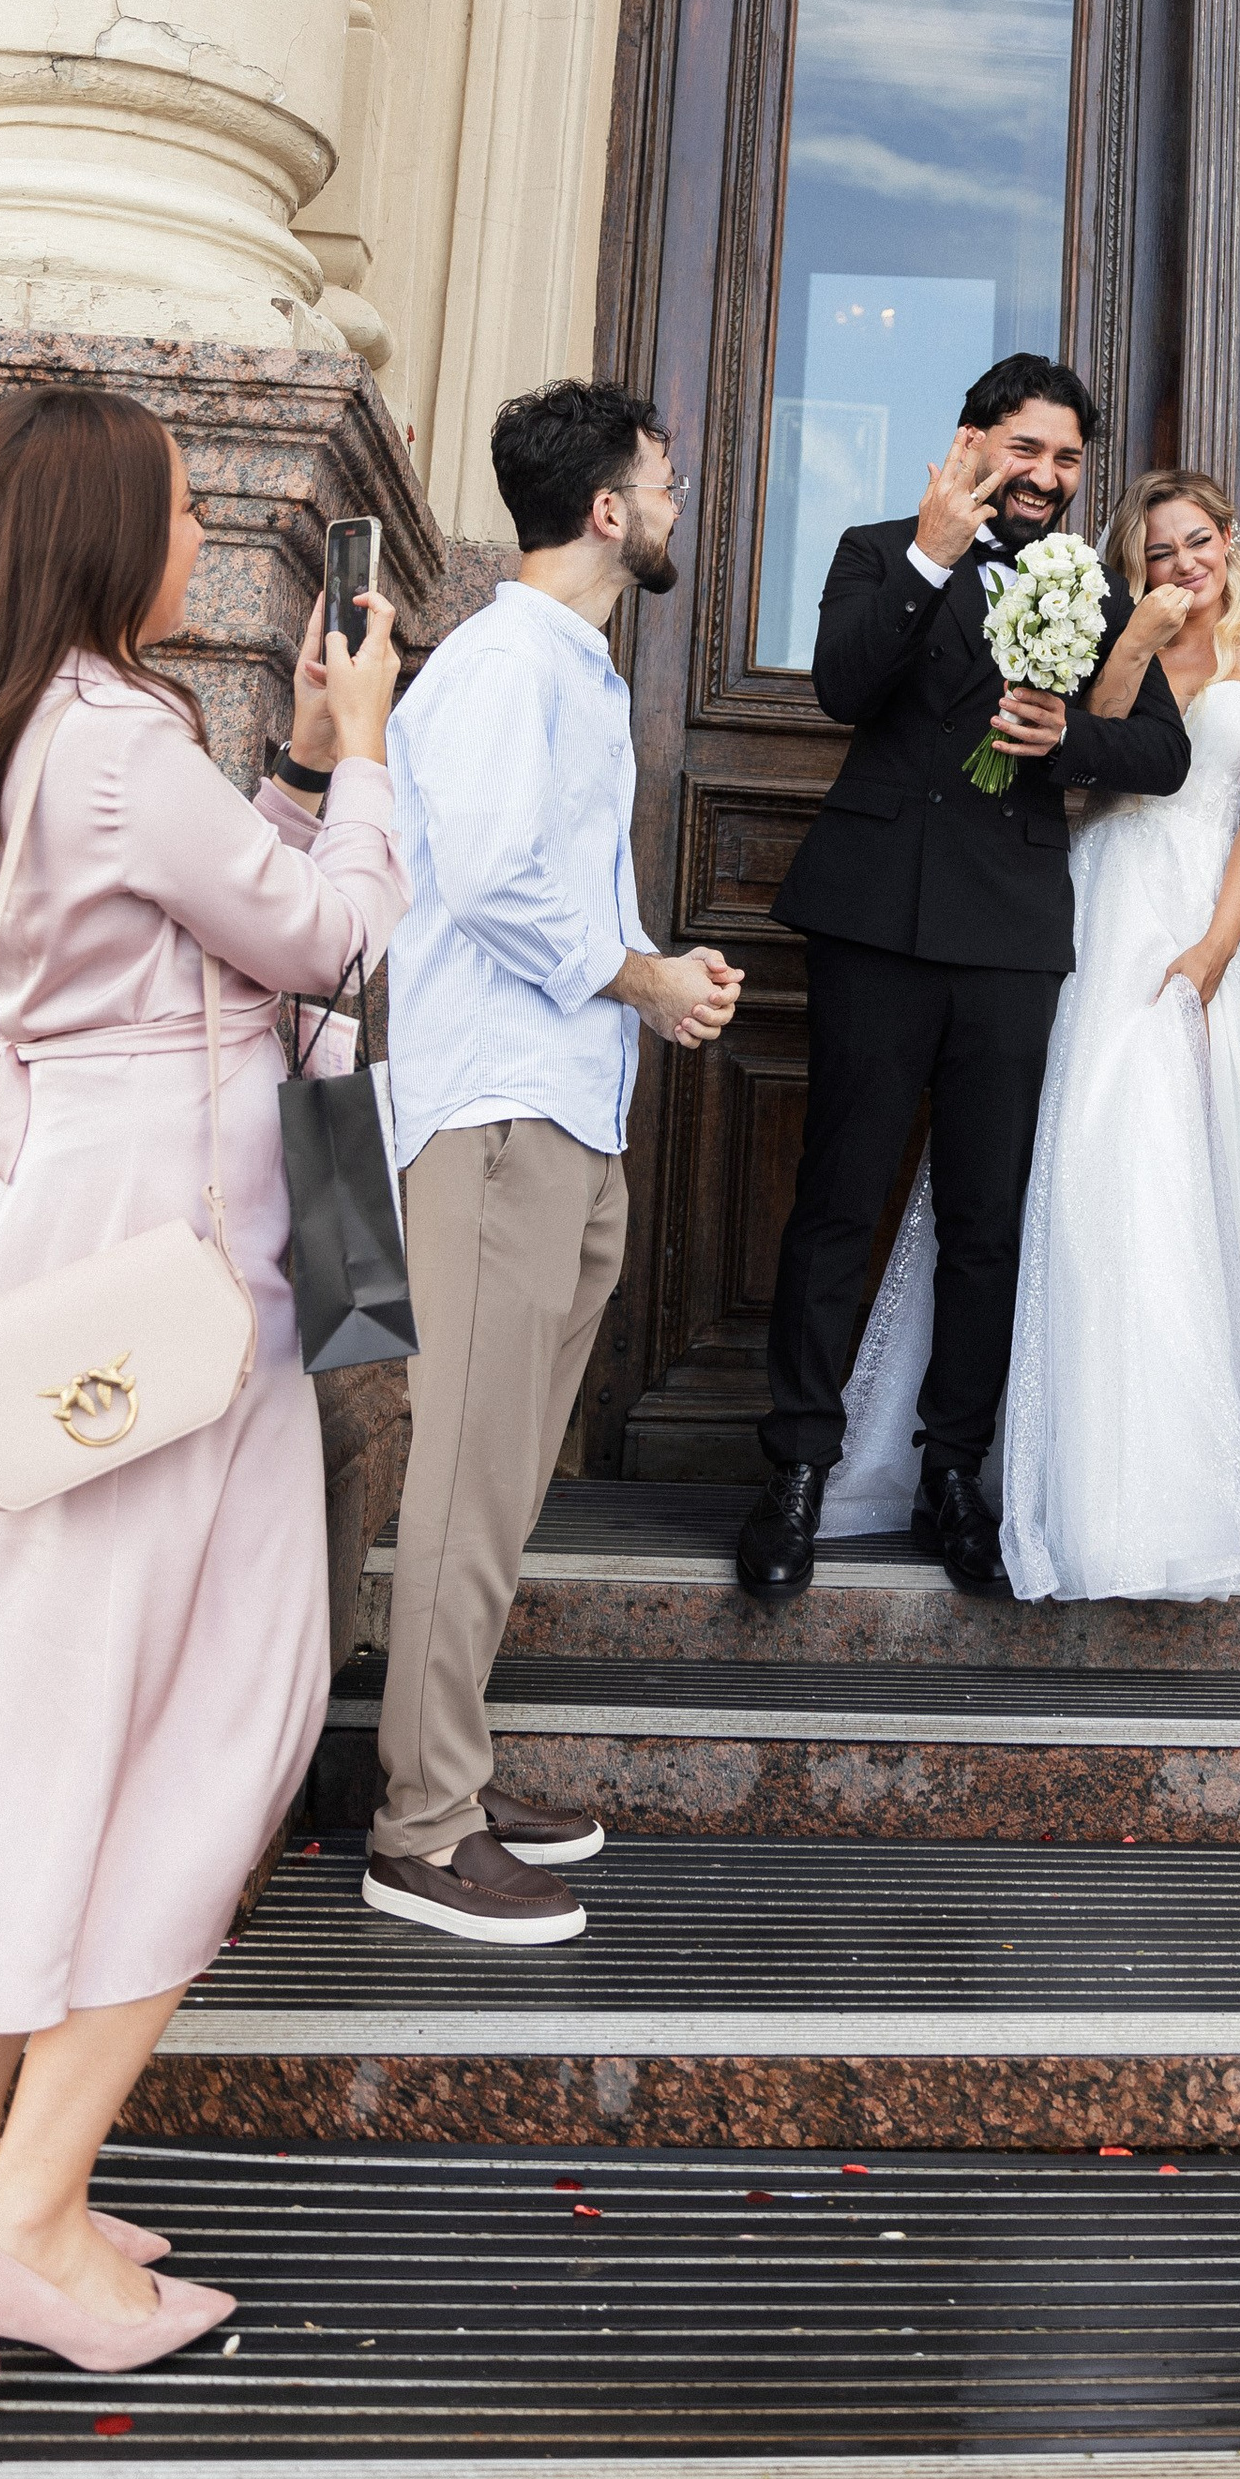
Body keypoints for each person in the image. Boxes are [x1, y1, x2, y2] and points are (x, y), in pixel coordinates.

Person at [0, 384, 407, 2385]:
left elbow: (193, 927)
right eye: (178, 509)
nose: (202, 542)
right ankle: (29, 2221)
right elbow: (331, 937)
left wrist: (292, 779)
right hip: (172, 1285)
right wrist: (368, 754)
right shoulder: (115, 741)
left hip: (62, 1247)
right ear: (99, 536)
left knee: (60, 1700)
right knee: (221, 1716)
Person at [368, 381, 740, 1945]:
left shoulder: (573, 669)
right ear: (605, 509)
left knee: (507, 1473)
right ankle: (420, 1828)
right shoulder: (502, 664)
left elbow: (554, 884)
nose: (673, 501)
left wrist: (647, 981)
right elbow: (493, 877)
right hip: (497, 1115)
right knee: (465, 1473)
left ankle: (449, 1763)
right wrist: (645, 977)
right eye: (660, 478)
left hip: (570, 1112)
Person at [739, 355, 1193, 1601]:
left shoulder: (1094, 585)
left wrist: (1068, 737)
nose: (1046, 476)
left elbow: (1161, 754)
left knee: (985, 1222)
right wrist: (932, 559)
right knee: (838, 1200)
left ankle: (953, 1473)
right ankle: (796, 1470)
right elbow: (844, 688)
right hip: (874, 921)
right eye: (1025, 448)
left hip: (1009, 934)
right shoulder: (876, 550)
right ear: (970, 443)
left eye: (1067, 458)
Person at [825, 469, 1240, 1599]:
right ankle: (1020, 1465)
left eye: (1197, 542)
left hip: (1189, 932)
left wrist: (1215, 950)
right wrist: (1134, 642)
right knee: (1050, 1172)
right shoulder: (1118, 644)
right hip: (1089, 914)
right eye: (1158, 552)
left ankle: (1158, 1489)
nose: (1184, 565)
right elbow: (1084, 757)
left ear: (1230, 540)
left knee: (1154, 1178)